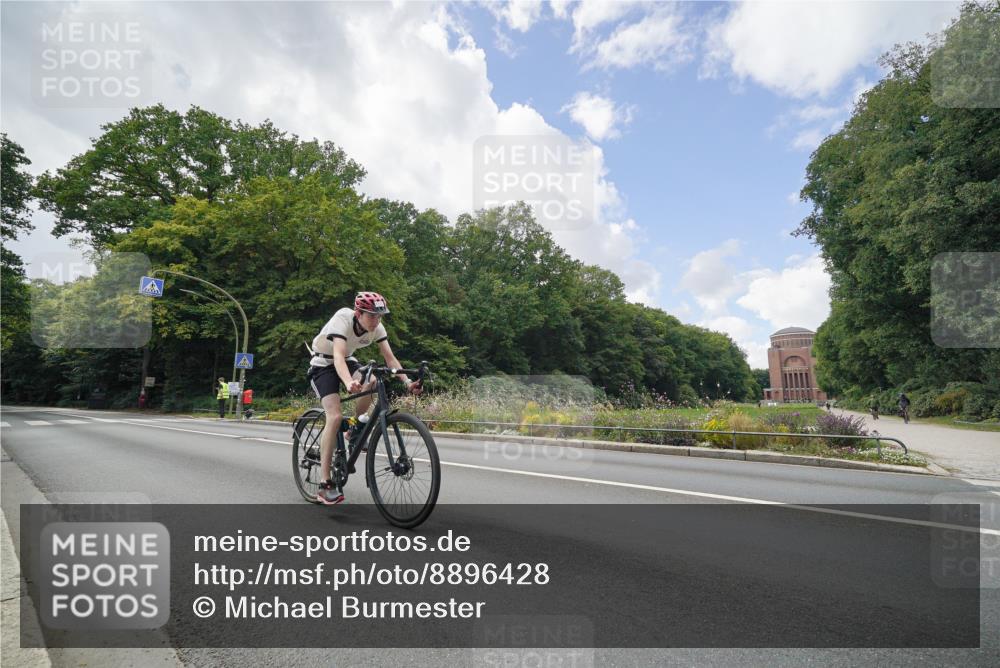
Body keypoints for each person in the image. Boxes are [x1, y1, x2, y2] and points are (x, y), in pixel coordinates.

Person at [307, 292, 423, 505]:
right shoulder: (342, 318)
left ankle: (355, 427)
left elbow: (390, 358)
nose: (376, 321)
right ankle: (325, 484)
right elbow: (338, 356)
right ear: (358, 313)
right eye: (371, 316)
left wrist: (407, 382)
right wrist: (349, 382)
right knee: (334, 416)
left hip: (348, 360)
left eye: (379, 316)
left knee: (371, 381)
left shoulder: (377, 327)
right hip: (323, 364)